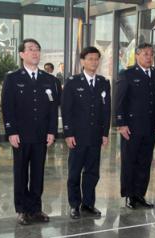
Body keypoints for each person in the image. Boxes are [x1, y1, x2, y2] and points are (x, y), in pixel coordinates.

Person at [1, 39, 59, 225]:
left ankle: (35, 208)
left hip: (41, 135)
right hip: (21, 134)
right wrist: (11, 131)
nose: (35, 53)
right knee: (20, 173)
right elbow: (7, 106)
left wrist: (52, 131)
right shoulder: (12, 78)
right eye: (31, 49)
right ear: (22, 54)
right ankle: (22, 210)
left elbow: (52, 108)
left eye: (38, 50)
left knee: (38, 173)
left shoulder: (49, 80)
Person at [61, 46, 111, 219]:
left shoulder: (104, 82)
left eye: (96, 59)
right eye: (90, 59)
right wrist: (68, 133)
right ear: (82, 61)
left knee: (92, 172)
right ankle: (74, 205)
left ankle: (88, 204)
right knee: (74, 172)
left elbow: (106, 110)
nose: (94, 62)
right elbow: (66, 109)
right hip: (77, 135)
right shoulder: (73, 82)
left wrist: (105, 133)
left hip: (95, 135)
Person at [115, 43, 155, 209]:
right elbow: (119, 100)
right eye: (145, 54)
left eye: (151, 54)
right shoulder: (127, 74)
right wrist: (121, 123)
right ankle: (129, 195)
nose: (149, 57)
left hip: (150, 127)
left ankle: (140, 194)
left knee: (145, 161)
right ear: (137, 56)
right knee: (130, 161)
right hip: (131, 127)